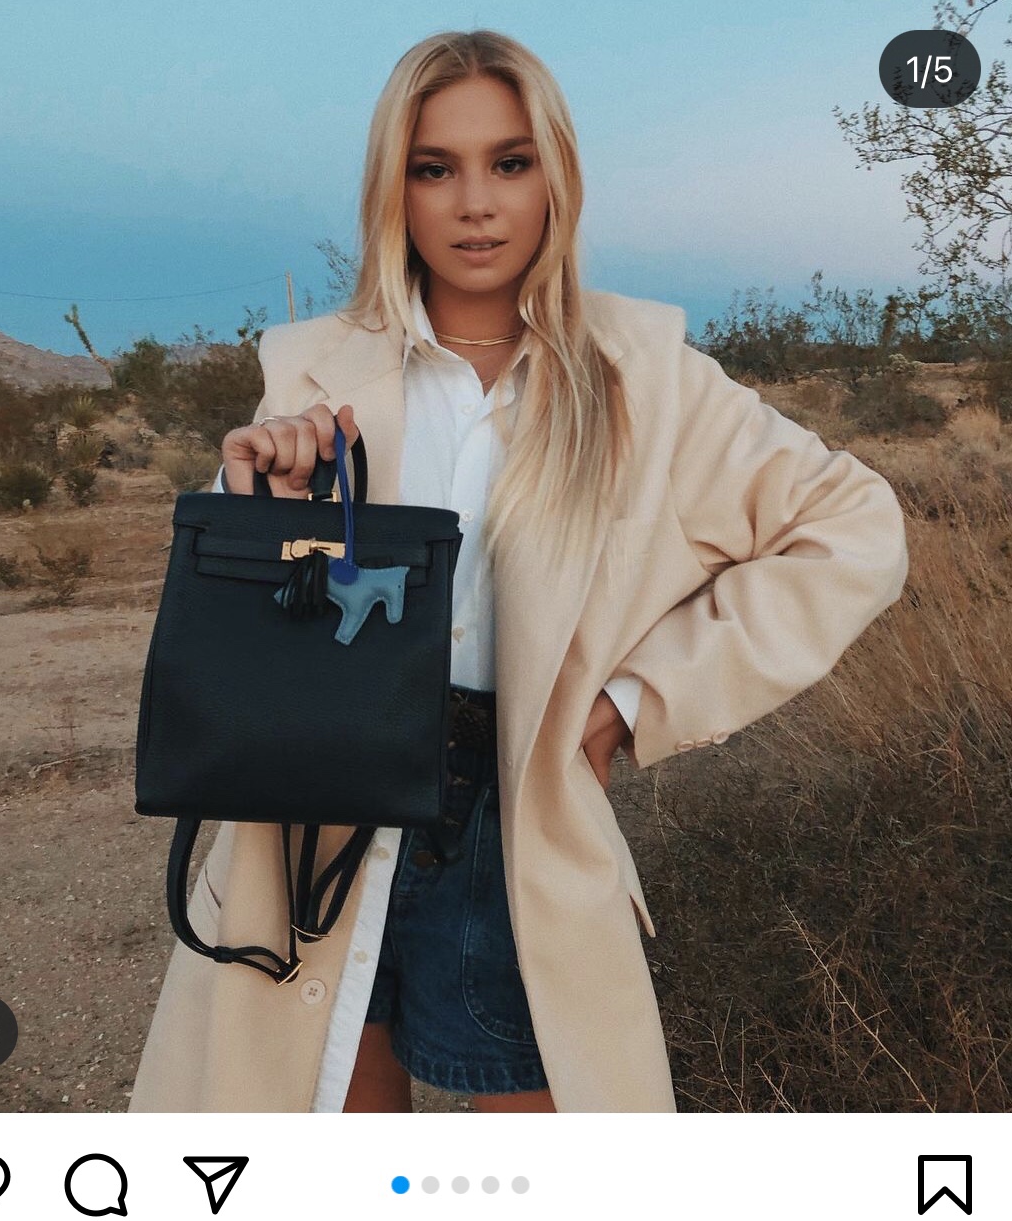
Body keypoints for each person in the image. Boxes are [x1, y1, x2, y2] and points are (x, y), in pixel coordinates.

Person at [130, 29, 907, 1115]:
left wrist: (636, 699)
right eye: (433, 168)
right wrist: (255, 491)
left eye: (509, 162)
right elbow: (254, 622)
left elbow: (855, 524)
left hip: (515, 817)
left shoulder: (646, 381)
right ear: (394, 189)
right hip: (316, 812)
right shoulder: (315, 370)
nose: (475, 205)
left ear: (556, 177)